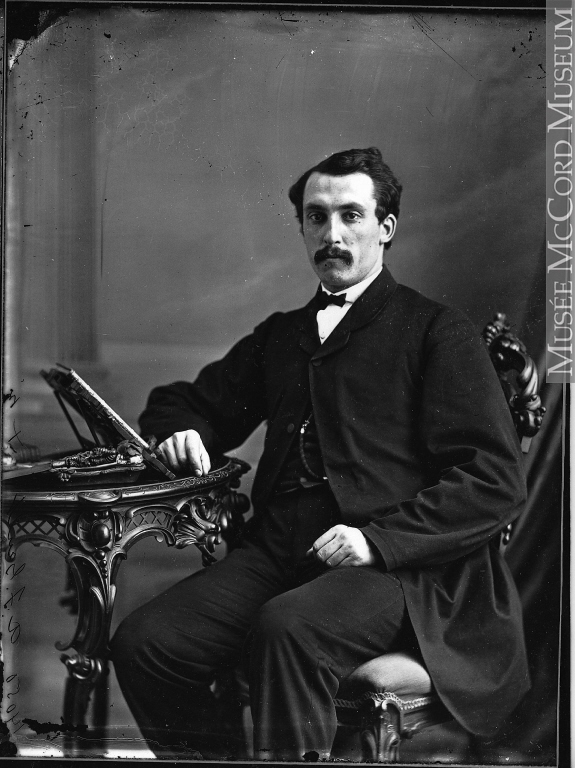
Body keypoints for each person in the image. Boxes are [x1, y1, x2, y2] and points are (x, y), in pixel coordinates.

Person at [110, 147, 530, 761]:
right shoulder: (283, 334)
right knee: (147, 644)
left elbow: (493, 478)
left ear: (385, 228)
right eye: (316, 216)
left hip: (399, 570)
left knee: (288, 630)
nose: (332, 234)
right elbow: (180, 402)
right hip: (278, 552)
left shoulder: (437, 331)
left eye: (351, 216)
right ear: (303, 227)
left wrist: (378, 542)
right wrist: (184, 431)